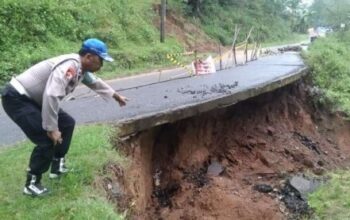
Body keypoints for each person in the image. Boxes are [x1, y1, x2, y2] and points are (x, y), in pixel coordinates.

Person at [1, 38, 128, 196]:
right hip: (17, 98)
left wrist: (116, 96)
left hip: (34, 100)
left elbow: (95, 83)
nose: (101, 65)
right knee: (45, 138)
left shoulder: (81, 69)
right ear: (88, 56)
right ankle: (32, 184)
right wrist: (52, 128)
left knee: (67, 123)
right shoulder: (70, 66)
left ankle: (57, 167)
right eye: (100, 60)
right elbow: (52, 95)